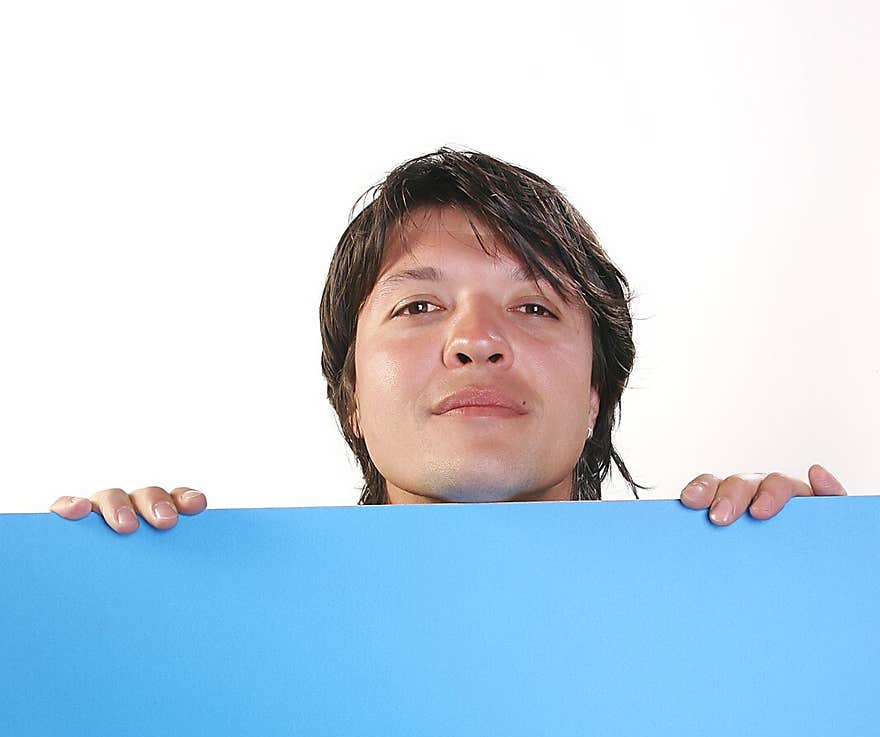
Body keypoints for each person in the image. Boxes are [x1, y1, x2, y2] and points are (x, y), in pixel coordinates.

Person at [50, 147, 847, 530]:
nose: (475, 342)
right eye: (417, 307)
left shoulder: (758, 582)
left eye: (534, 309)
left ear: (597, 390)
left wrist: (819, 587)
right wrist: (107, 590)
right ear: (351, 392)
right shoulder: (202, 623)